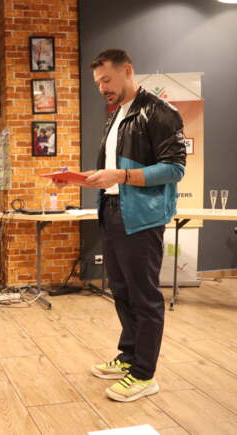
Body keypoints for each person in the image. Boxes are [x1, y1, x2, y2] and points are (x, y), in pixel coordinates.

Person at [56, 49, 186, 402]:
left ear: (127, 71)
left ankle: (144, 374)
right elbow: (113, 174)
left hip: (142, 215)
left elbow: (174, 169)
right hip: (112, 210)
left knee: (144, 297)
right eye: (98, 83)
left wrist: (121, 176)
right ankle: (129, 356)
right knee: (122, 291)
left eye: (107, 80)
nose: (102, 88)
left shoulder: (160, 112)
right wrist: (82, 178)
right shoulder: (116, 116)